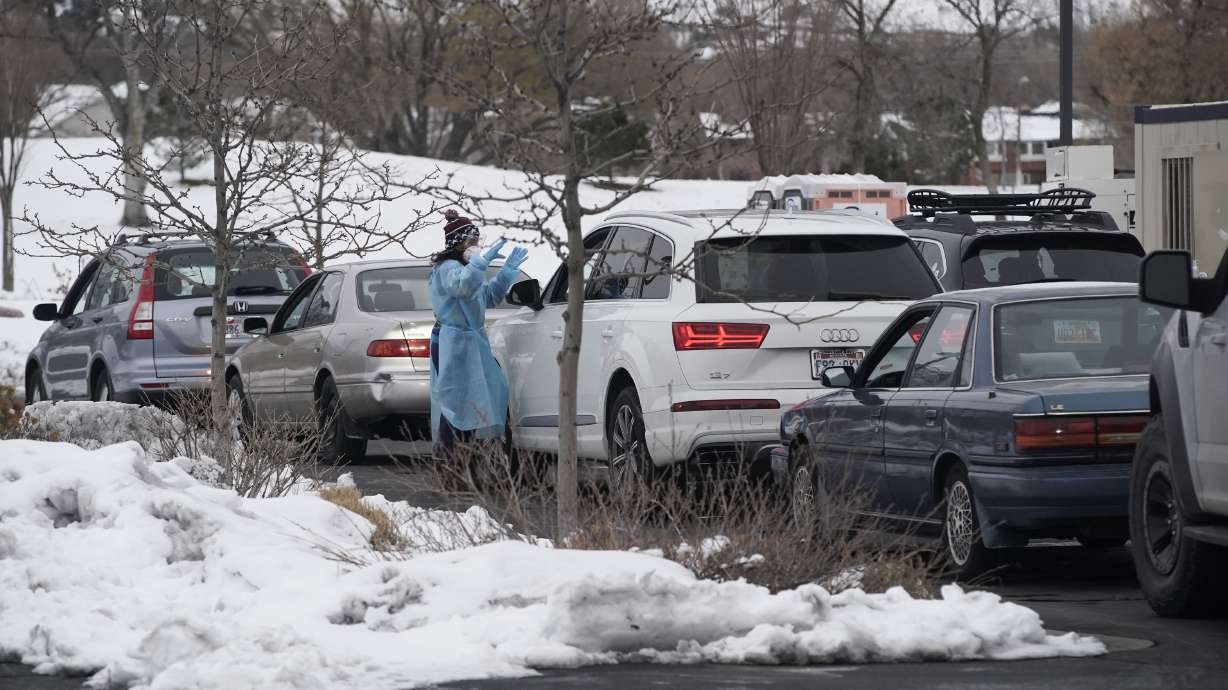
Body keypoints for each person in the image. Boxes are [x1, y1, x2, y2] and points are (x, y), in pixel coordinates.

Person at [429, 209, 529, 461]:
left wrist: (506, 272)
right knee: (454, 401)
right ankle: (449, 460)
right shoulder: (447, 268)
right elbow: (462, 287)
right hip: (451, 341)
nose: (476, 247)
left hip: (471, 342)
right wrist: (479, 263)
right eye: (471, 242)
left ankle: (468, 459)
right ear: (458, 242)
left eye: (477, 242)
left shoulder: (469, 268)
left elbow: (487, 297)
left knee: (477, 398)